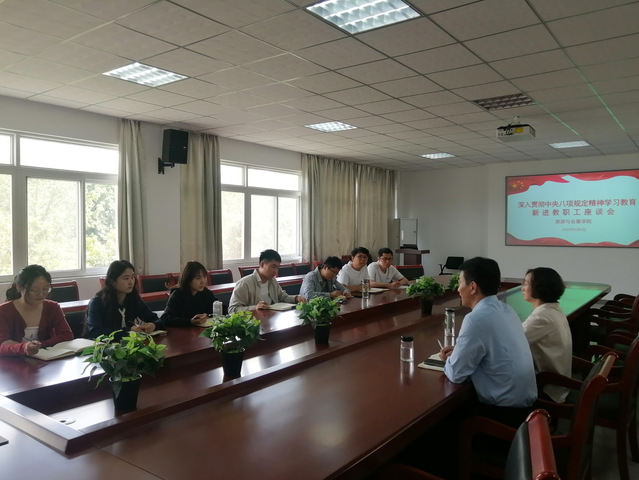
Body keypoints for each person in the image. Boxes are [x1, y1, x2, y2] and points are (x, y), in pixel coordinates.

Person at [439, 257, 536, 426]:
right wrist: (461, 351)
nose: (458, 289)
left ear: (473, 287)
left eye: (460, 282)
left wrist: (450, 359)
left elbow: (456, 374)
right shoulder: (507, 309)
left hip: (504, 415)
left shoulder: (476, 319)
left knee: (443, 423)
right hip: (528, 409)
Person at [521, 267, 571, 403]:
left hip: (547, 389)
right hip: (558, 383)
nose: (522, 288)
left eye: (526, 283)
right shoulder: (552, 309)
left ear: (539, 288)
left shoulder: (542, 317)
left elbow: (512, 342)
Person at [0, 265, 73, 357]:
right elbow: (2, 345)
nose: (41, 294)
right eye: (34, 290)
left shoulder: (52, 307)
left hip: (45, 359)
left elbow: (67, 335)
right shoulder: (4, 311)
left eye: (45, 289)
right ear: (19, 287)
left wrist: (40, 345)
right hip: (13, 361)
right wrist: (24, 347)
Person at [86, 260, 162, 339]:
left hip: (128, 345)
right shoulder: (97, 303)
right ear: (112, 282)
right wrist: (128, 331)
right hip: (103, 345)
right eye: (126, 278)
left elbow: (158, 320)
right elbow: (95, 333)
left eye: (132, 277)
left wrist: (154, 325)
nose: (131, 282)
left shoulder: (133, 299)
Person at [229, 249, 306, 313]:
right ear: (262, 264)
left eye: (278, 268)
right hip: (253, 323)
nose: (276, 271)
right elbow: (232, 309)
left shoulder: (272, 281)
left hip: (272, 318)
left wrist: (296, 298)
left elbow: (282, 296)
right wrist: (255, 308)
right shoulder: (244, 284)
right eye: (273, 267)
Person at [162, 261, 226, 327]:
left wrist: (208, 315)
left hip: (200, 331)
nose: (203, 282)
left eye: (204, 277)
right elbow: (165, 319)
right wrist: (190, 321)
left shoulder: (206, 293)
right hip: (183, 331)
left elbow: (221, 308)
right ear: (188, 280)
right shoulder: (177, 295)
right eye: (198, 278)